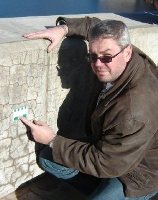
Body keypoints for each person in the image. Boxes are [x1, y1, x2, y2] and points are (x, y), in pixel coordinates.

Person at [21, 16, 158, 200]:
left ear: (127, 52)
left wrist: (53, 140)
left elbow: (107, 163)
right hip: (111, 149)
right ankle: (99, 188)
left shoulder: (135, 109)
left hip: (139, 173)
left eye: (106, 57)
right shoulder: (120, 53)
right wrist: (64, 29)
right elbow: (95, 26)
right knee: (48, 159)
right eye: (92, 56)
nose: (98, 64)